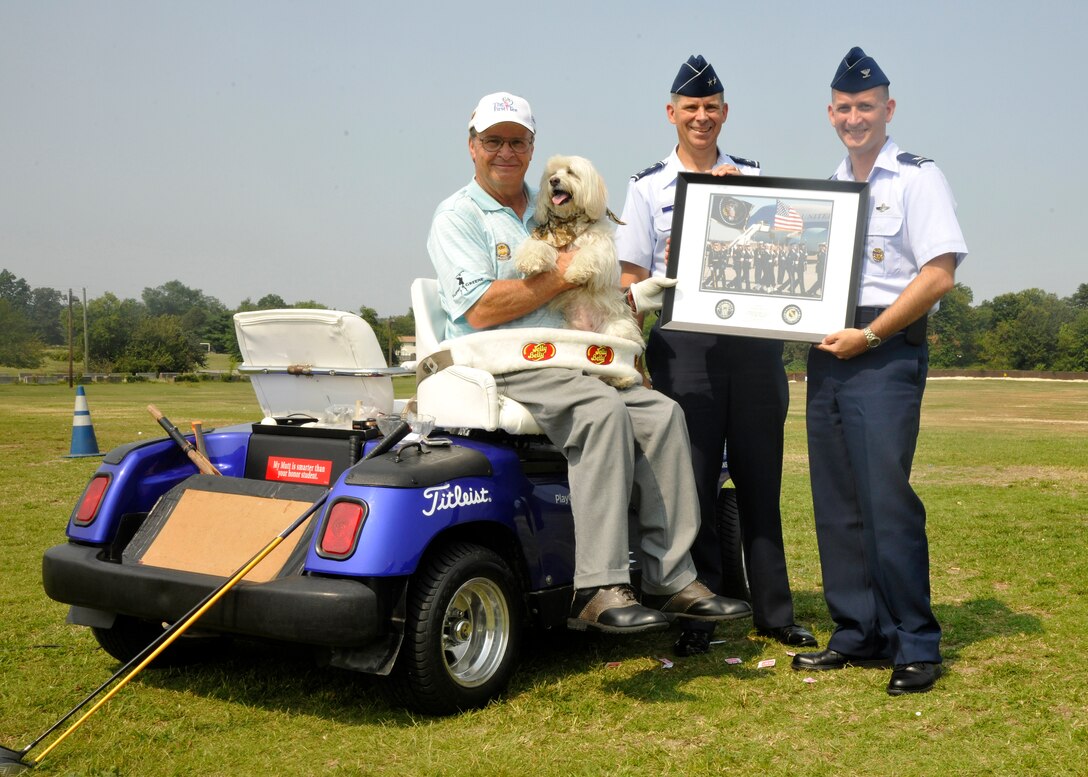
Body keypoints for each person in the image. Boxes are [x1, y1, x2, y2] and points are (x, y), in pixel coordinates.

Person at [427, 91, 752, 634]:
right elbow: (481, 309)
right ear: (472, 146)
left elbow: (588, 292)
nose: (505, 152)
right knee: (601, 411)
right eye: (493, 142)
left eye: (517, 142)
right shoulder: (459, 216)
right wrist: (564, 271)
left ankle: (671, 577)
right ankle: (599, 588)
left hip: (575, 357)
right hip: (508, 359)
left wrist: (627, 299)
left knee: (663, 414)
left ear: (532, 148)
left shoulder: (544, 205)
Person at [616, 56, 814, 657]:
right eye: (690, 108)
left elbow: (787, 251)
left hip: (754, 348)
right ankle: (696, 615)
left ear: (724, 113)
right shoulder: (648, 187)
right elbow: (631, 279)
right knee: (691, 486)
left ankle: (774, 611)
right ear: (671, 114)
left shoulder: (752, 175)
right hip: (685, 348)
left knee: (760, 481)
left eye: (711, 108)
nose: (701, 118)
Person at [790, 48, 967, 695]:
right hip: (828, 350)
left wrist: (871, 333)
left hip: (884, 350)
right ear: (830, 113)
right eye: (843, 107)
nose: (854, 116)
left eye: (866, 106)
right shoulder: (828, 189)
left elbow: (939, 273)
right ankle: (858, 631)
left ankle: (915, 641)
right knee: (836, 502)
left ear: (888, 109)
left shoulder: (917, 179)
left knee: (885, 499)